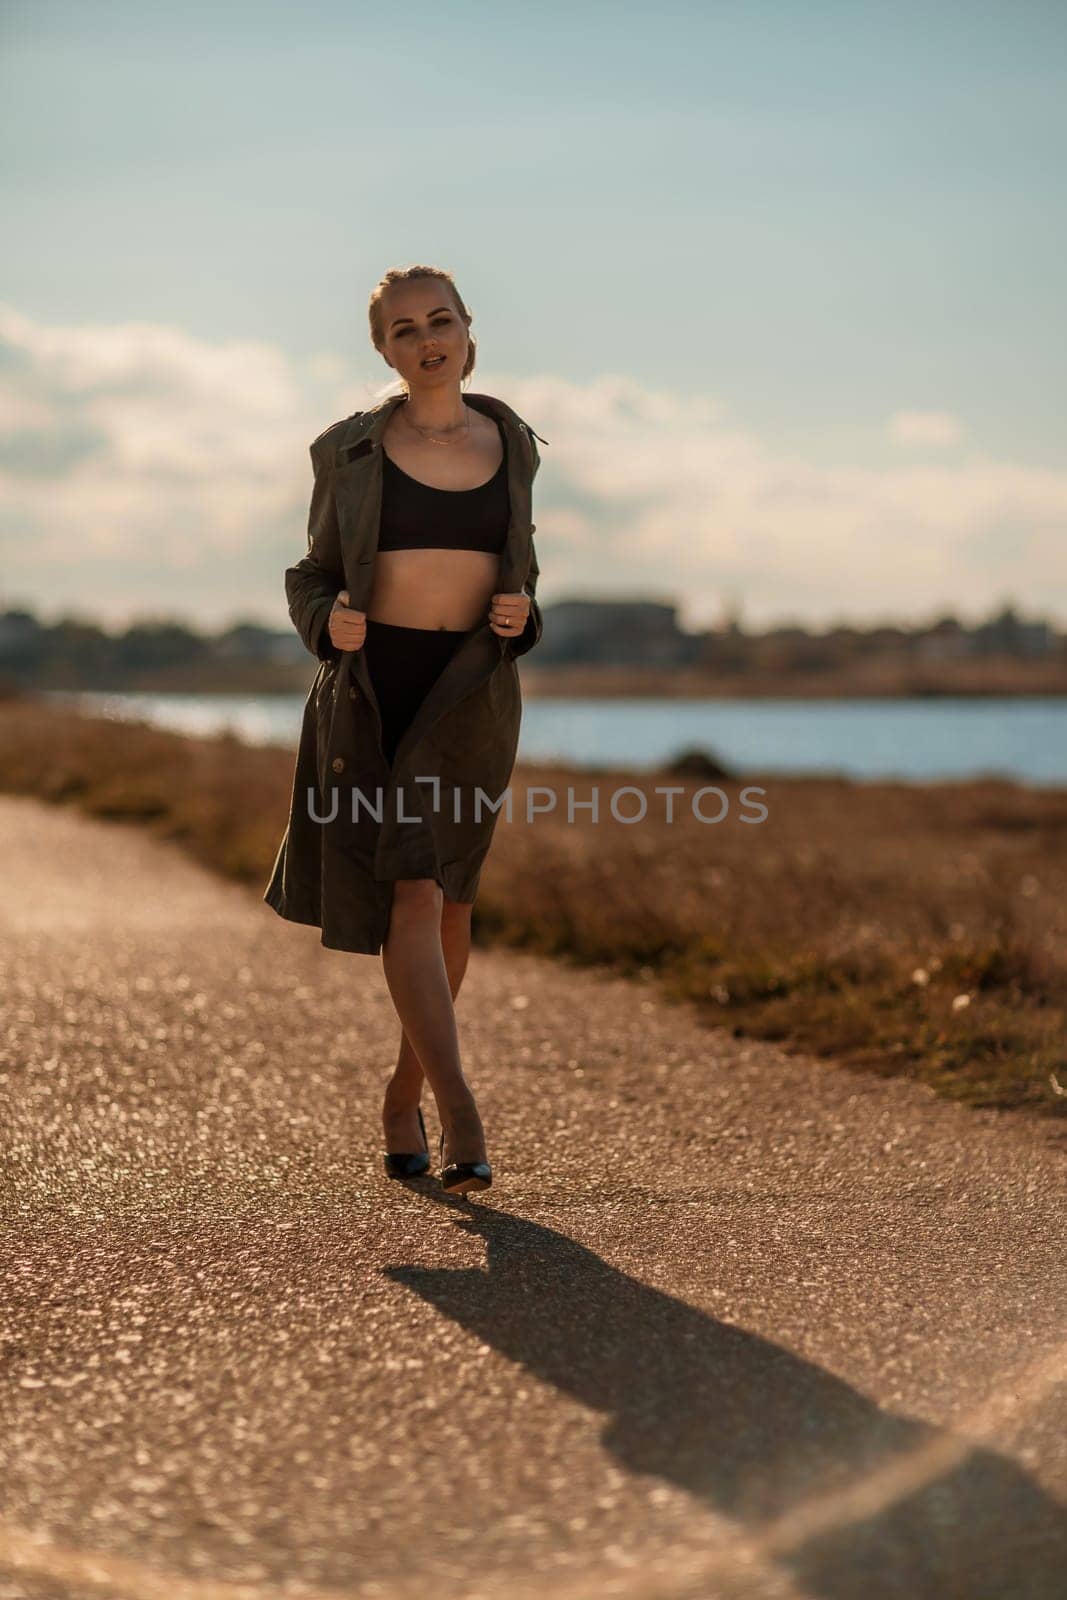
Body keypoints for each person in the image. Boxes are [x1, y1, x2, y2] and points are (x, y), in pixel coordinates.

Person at [267, 264, 546, 1196]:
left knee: (453, 901)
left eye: (440, 321)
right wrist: (325, 624)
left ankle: (401, 1094)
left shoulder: (511, 443)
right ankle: (460, 1107)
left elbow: (522, 575)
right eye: (402, 329)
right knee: (414, 897)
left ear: (469, 331)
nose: (425, 339)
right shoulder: (345, 452)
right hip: (376, 693)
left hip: (469, 695)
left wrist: (520, 618)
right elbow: (311, 571)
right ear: (381, 350)